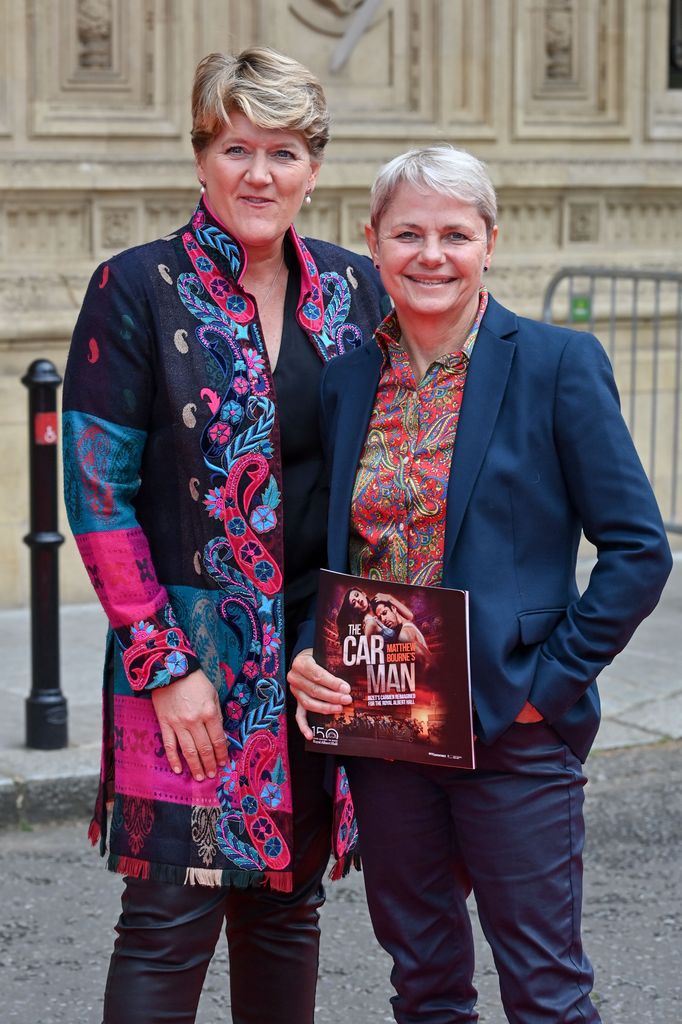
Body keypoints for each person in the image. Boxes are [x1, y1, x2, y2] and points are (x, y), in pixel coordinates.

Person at [287, 145, 673, 1023]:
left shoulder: (557, 364)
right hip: (386, 727)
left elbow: (638, 549)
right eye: (409, 233)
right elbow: (335, 552)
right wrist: (314, 650)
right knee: (421, 982)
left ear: (489, 243)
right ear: (373, 244)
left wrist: (547, 686)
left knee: (545, 987)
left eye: (454, 233)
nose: (432, 254)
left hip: (513, 727)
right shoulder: (349, 382)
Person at [62, 47, 384, 1024]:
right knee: (166, 919)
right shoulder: (135, 289)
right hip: (184, 672)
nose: (258, 174)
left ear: (313, 169)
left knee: (287, 909)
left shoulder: (353, 291)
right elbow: (97, 494)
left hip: (310, 663)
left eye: (282, 152)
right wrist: (164, 665)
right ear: (201, 158)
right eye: (236, 147)